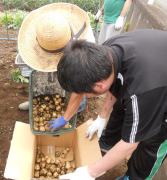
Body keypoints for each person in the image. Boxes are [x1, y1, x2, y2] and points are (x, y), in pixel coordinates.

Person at [55, 29, 167, 180]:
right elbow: (114, 83)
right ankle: (107, 145)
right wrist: (102, 117)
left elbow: (130, 144)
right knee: (120, 111)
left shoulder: (140, 92)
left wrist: (91, 172)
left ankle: (136, 177)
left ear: (99, 85)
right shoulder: (106, 51)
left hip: (158, 92)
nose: (83, 95)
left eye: (84, 93)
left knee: (150, 145)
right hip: (151, 66)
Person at [17, 3, 96, 115]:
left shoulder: (86, 40)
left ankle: (76, 110)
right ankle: (37, 100)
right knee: (42, 74)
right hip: (49, 45)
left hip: (78, 57)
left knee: (76, 78)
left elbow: (84, 79)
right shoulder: (44, 28)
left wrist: (66, 117)